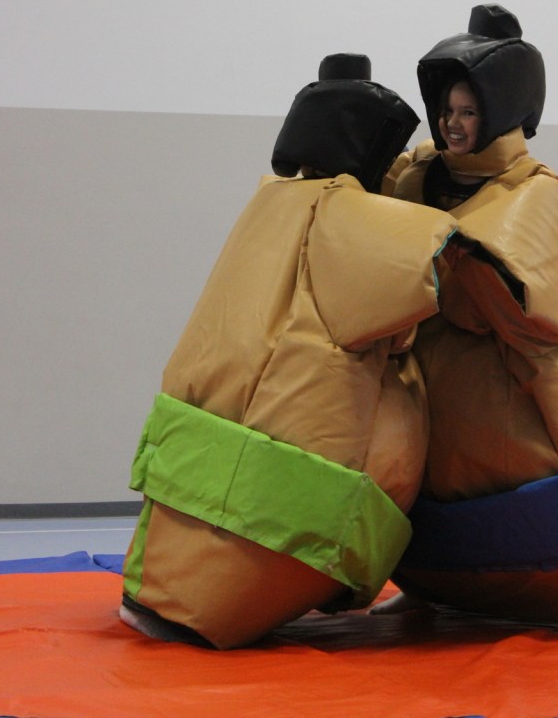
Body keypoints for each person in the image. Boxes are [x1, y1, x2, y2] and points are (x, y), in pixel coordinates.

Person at [120, 54, 460, 649]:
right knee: (398, 431)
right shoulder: (350, 215)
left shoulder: (268, 202)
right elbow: (424, 275)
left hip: (195, 463)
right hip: (282, 482)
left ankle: (171, 591)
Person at [380, 4, 558, 628]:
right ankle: (437, 578)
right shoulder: (421, 172)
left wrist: (451, 253)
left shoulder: (535, 188)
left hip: (509, 396)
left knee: (510, 472)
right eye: (448, 110)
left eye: (469, 111)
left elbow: (527, 310)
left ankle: (540, 586)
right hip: (435, 394)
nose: (453, 122)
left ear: (501, 108)